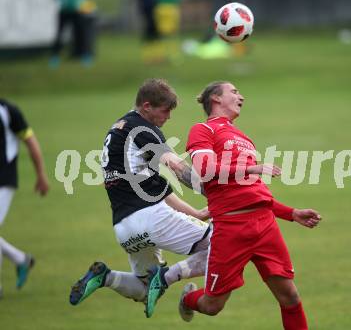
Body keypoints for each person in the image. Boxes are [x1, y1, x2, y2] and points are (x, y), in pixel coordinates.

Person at [179, 81, 321, 329]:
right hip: (232, 228)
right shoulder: (203, 130)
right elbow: (205, 169)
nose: (241, 96)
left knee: (290, 297)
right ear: (216, 99)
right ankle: (189, 299)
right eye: (234, 92)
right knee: (213, 306)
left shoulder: (243, 137)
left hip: (264, 225)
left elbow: (255, 195)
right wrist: (252, 167)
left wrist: (292, 213)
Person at [69, 79, 212, 318]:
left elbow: (157, 190)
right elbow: (176, 166)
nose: (168, 117)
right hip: (152, 218)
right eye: (165, 110)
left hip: (125, 229)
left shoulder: (119, 129)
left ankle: (105, 276)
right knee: (224, 247)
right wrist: (214, 191)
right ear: (147, 106)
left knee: (145, 289)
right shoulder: (143, 130)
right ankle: (167, 279)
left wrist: (196, 214)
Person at [0, 99, 49, 299]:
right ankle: (21, 260)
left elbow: (30, 141)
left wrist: (41, 175)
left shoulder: (8, 111)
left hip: (3, 180)